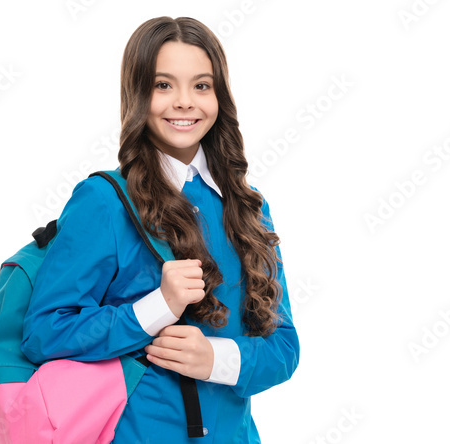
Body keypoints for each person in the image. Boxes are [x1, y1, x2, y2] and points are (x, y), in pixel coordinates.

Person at [19, 16, 299, 442]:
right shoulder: (105, 201)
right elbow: (44, 332)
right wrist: (157, 307)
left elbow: (284, 348)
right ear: (137, 95)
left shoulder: (247, 205)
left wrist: (214, 358)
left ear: (219, 96)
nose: (184, 102)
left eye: (201, 86)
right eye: (163, 85)